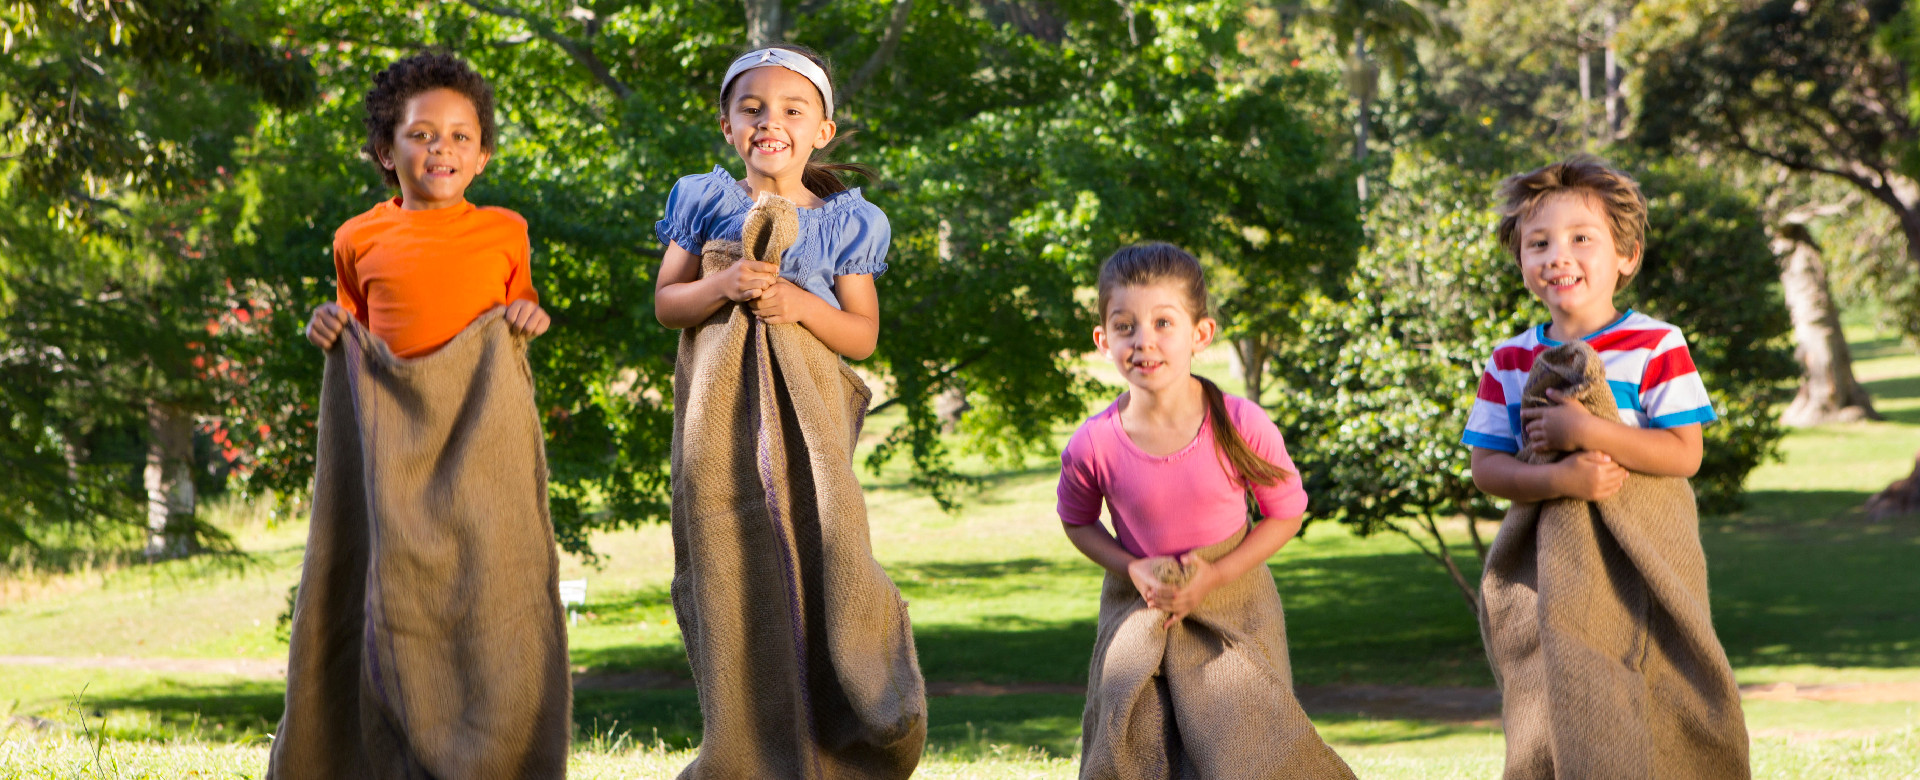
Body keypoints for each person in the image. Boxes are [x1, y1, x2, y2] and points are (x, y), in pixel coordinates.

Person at [270, 52, 570, 780]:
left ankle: (494, 745)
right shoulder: (358, 238)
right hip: (392, 449)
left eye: (461, 137)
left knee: (490, 583)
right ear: (385, 150)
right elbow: (355, 346)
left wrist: (531, 315)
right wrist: (324, 325)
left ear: (484, 155)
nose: (442, 149)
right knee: (388, 585)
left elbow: (520, 312)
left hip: (477, 433)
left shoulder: (505, 230)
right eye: (422, 134)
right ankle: (375, 744)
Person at [653, 43, 925, 780]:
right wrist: (725, 285)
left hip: (808, 438)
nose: (771, 121)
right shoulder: (704, 200)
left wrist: (800, 304)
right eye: (752, 109)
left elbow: (861, 337)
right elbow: (667, 303)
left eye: (791, 109)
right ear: (727, 125)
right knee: (733, 576)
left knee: (821, 564)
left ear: (823, 130)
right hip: (724, 435)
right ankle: (748, 744)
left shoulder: (846, 224)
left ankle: (846, 730)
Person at [1466, 156, 1750, 779]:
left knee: (1656, 682)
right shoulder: (1510, 358)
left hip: (1644, 558)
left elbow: (1684, 453)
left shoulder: (1656, 344)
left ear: (1626, 255)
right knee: (1562, 692)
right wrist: (1558, 480)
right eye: (1538, 243)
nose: (1557, 255)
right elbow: (1487, 466)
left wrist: (1590, 431)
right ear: (1521, 262)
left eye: (1581, 239)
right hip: (1553, 570)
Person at [1059, 242, 1355, 779]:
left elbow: (1285, 512)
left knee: (1248, 750)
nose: (1144, 340)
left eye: (1163, 322)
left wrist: (1215, 574)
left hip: (1235, 610)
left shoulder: (1240, 424)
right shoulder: (1093, 444)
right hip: (1141, 607)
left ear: (1201, 334)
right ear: (1104, 340)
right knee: (1136, 746)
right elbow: (1077, 521)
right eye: (1125, 326)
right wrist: (1130, 566)